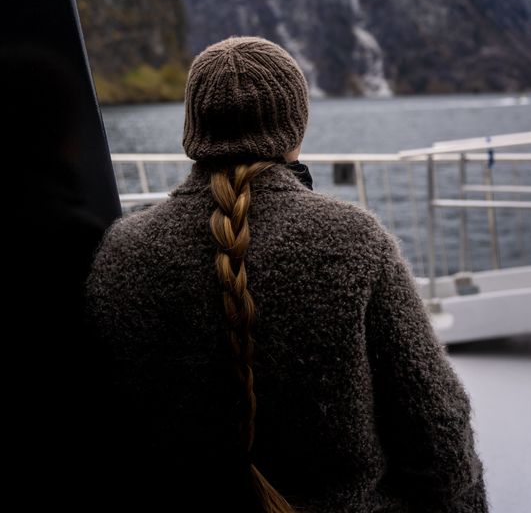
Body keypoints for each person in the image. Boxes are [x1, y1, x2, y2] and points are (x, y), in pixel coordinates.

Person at [85, 36, 488, 511]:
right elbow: (439, 439)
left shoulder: (122, 250)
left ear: (194, 128)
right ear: (296, 126)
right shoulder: (354, 243)